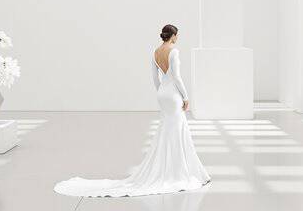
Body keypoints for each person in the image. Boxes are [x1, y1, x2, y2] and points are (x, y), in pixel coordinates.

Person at [54, 24, 211, 197]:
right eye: (177, 35)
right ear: (172, 35)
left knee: (167, 129)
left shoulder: (155, 52)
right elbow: (177, 77)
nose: (178, 38)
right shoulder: (174, 51)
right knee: (177, 129)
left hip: (163, 94)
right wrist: (186, 96)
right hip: (173, 94)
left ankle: (170, 168)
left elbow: (155, 77)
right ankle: (179, 171)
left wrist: (160, 91)